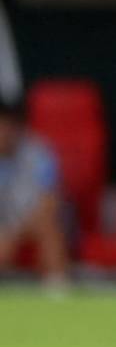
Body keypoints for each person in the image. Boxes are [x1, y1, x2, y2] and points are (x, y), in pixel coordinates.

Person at [0, 100, 70, 286]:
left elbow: (50, 202)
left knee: (49, 227)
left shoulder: (38, 152)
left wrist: (13, 234)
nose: (3, 134)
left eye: (6, 127)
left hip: (30, 222)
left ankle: (57, 290)